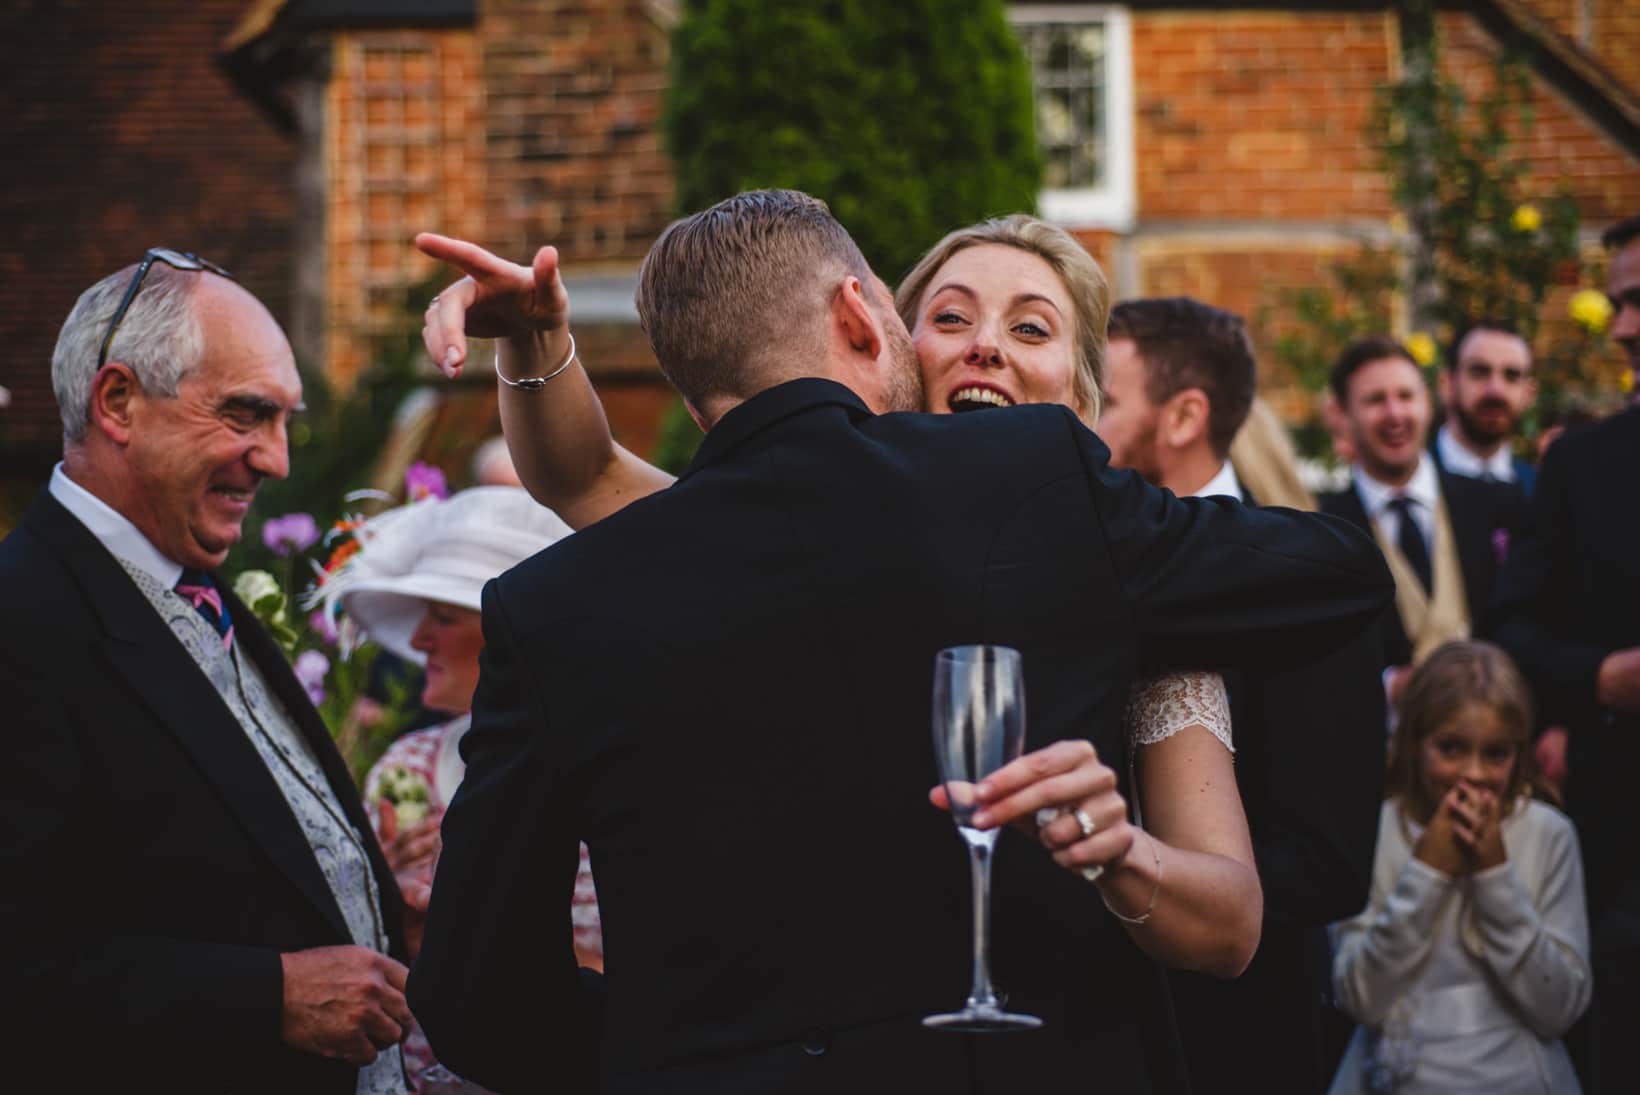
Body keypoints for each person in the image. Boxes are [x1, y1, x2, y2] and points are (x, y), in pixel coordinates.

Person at [407, 190, 1394, 1093]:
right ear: (870, 325)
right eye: (950, 317)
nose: (984, 349)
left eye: (1030, 326)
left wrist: (654, 1057)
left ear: (1089, 402)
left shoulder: (1092, 539)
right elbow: (583, 477)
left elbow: (474, 995)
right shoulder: (1025, 490)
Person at [0, 251, 412, 1093]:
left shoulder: (192, 588)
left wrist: (362, 881)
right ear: (118, 401)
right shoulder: (24, 620)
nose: (278, 459)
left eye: (285, 421)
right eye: (246, 415)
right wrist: (270, 996)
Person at [1099, 297, 1387, 1095]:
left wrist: (1138, 867)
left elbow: (1332, 864)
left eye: (1106, 399)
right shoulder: (1080, 559)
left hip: (1238, 1041)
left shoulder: (1297, 578)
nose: (1082, 417)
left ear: (1185, 415)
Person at [315, 485, 581, 1092]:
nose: (417, 642)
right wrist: (375, 898)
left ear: (506, 633)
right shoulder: (403, 767)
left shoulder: (599, 774)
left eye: (443, 616)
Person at [1489, 212, 1640, 1093]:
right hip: (1621, 853)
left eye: (1637, 301)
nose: (1621, 327)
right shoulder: (1581, 464)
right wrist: (1598, 675)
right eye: (1618, 303)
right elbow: (1511, 626)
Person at [1329, 640, 1590, 1094]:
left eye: (1495, 753)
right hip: (1396, 1073)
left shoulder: (1549, 835)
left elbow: (1560, 1008)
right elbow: (1359, 997)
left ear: (1519, 751)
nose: (1473, 774)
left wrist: (1494, 876)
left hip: (1520, 1076)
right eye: (1451, 748)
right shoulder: (1373, 830)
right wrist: (1428, 871)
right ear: (1413, 742)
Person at [1319, 336, 1521, 703]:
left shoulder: (1498, 503)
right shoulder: (1324, 527)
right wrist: (1387, 687)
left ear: (1428, 403)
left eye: (1406, 396)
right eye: (1375, 400)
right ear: (1342, 416)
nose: (1395, 414)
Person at [1430, 320, 1538, 494]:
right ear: (1447, 384)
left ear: (1529, 393)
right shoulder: (1409, 484)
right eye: (1479, 372)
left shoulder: (1541, 492)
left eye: (1512, 376)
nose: (1495, 390)